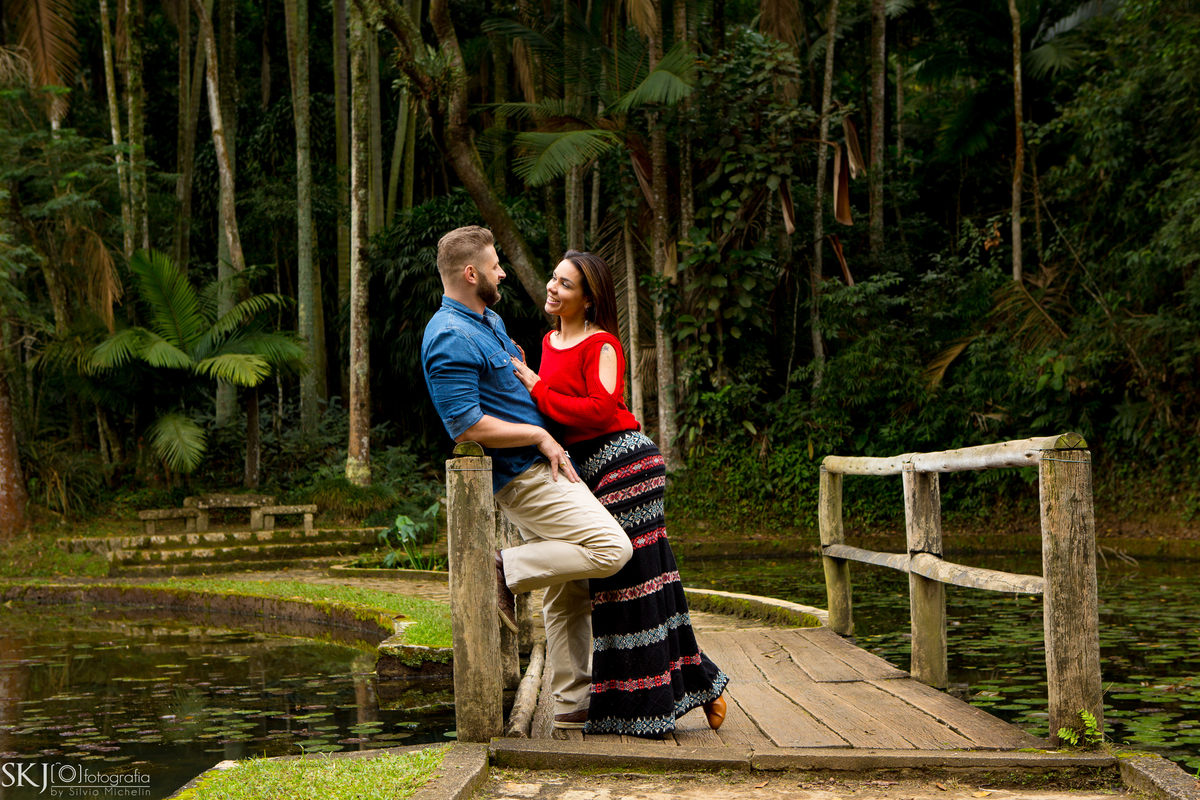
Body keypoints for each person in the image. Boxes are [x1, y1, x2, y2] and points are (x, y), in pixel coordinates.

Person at [511, 250, 729, 738]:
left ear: (589, 300)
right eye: (553, 278)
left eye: (565, 284)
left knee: (630, 585)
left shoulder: (603, 344)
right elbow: (555, 413)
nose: (552, 288)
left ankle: (659, 701)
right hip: (589, 472)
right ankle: (700, 686)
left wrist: (536, 387)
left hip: (626, 466)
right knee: (632, 584)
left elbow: (599, 410)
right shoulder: (548, 342)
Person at [421, 227, 633, 730]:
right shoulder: (448, 335)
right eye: (494, 266)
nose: (502, 273)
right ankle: (506, 566)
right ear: (470, 273)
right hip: (525, 474)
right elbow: (466, 425)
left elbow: (510, 386)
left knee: (568, 586)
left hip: (541, 466)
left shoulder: (486, 320)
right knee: (611, 549)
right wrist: (539, 436)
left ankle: (571, 703)